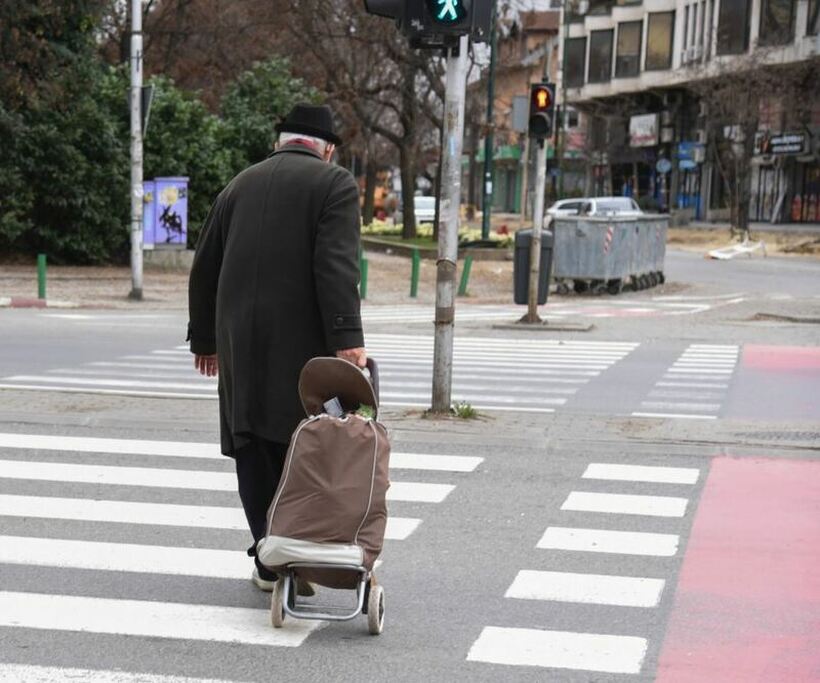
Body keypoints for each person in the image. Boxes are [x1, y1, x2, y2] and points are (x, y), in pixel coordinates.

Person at [187, 103, 367, 592]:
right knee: (306, 449)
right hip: (303, 350)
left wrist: (205, 340)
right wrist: (348, 340)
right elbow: (336, 267)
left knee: (253, 447)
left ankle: (269, 561)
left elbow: (205, 267)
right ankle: (300, 556)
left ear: (281, 141)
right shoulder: (334, 184)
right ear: (326, 148)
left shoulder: (238, 185)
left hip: (239, 347)